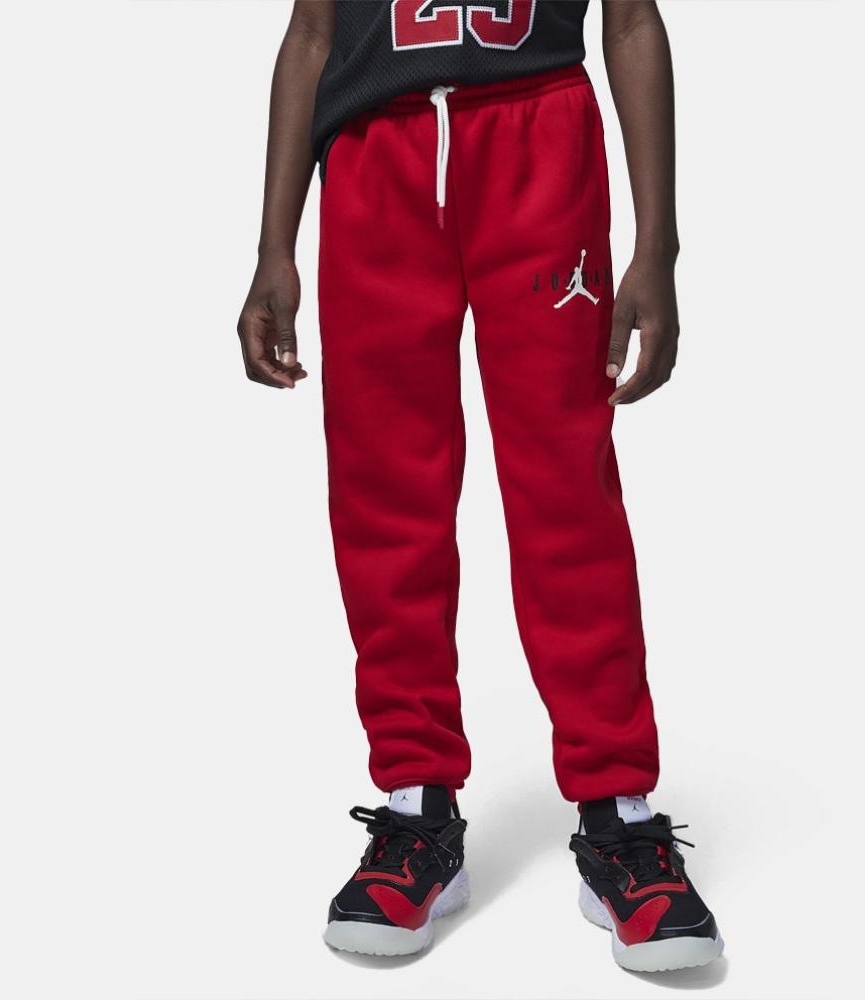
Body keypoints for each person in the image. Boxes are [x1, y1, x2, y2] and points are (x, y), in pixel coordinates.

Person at [236, 0, 723, 973]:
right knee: (385, 490)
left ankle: (618, 812)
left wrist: (658, 245)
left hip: (538, 133)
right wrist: (272, 248)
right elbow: (313, 32)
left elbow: (630, 19)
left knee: (564, 487)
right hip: (375, 156)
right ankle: (417, 803)